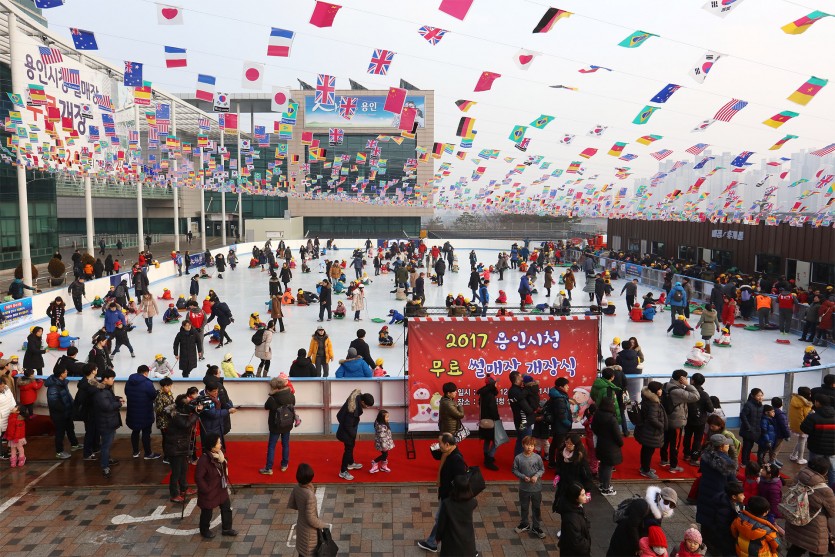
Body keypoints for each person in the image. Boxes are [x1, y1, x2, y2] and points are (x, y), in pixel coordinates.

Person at [417, 432, 468, 553]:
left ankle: (433, 543)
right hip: (447, 494)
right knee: (446, 521)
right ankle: (433, 542)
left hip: (450, 496)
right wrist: (432, 448)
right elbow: (438, 455)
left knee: (442, 519)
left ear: (447, 444)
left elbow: (461, 481)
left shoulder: (456, 459)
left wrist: (452, 495)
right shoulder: (448, 453)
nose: (438, 445)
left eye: (440, 443)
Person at [606, 485, 678, 557]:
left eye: (672, 505)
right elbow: (632, 526)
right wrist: (637, 547)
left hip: (636, 544)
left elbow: (653, 530)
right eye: (666, 502)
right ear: (659, 497)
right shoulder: (642, 505)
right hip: (623, 539)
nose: (667, 507)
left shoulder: (660, 513)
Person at [784, 456, 835, 556]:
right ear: (825, 472)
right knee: (816, 551)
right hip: (815, 527)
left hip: (796, 519)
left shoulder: (799, 477)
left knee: (796, 548)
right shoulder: (825, 490)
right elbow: (833, 512)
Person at [196, 432, 237, 539]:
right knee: (207, 512)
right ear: (212, 446)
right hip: (210, 491)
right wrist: (206, 489)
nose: (221, 445)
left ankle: (227, 529)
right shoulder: (204, 460)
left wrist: (223, 462)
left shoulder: (220, 455)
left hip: (221, 488)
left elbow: (223, 468)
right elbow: (199, 478)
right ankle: (204, 530)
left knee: (226, 508)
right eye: (218, 443)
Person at [660, 369, 700, 473]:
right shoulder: (678, 391)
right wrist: (688, 385)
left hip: (667, 419)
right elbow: (696, 396)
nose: (687, 379)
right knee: (675, 445)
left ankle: (664, 460)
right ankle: (673, 466)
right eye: (685, 378)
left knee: (665, 441)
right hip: (676, 421)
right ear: (681, 378)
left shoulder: (666, 385)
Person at [164, 393, 200, 503]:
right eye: (189, 403)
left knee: (184, 468)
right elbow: (186, 424)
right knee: (176, 471)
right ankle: (174, 494)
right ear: (183, 405)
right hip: (175, 446)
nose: (191, 405)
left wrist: (195, 409)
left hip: (181, 445)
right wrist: (196, 414)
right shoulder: (176, 415)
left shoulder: (181, 410)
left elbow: (189, 415)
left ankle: (184, 488)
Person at [288, 463, 329, 557]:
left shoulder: (297, 487)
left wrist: (302, 507)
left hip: (301, 527)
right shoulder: (309, 495)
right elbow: (311, 518)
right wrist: (322, 525)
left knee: (302, 553)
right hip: (310, 533)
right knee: (309, 553)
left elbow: (292, 504)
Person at [259, 376, 296, 475]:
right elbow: (293, 404)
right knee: (285, 444)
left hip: (275, 425)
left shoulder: (272, 399)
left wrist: (271, 394)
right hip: (287, 423)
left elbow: (266, 407)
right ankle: (284, 464)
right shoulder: (291, 395)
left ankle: (269, 468)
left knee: (272, 446)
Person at [436, 474, 479, 557]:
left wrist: (438, 537)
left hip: (450, 540)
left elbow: (441, 523)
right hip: (467, 541)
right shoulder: (473, 502)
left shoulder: (447, 503)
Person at [336, 389, 374, 480]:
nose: (367, 408)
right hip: (346, 432)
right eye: (367, 406)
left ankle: (350, 463)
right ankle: (343, 471)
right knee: (348, 450)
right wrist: (354, 434)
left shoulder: (356, 399)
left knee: (351, 447)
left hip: (349, 430)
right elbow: (347, 425)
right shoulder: (352, 410)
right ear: (362, 402)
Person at [512, 435, 546, 538]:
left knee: (536, 508)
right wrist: (523, 477)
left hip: (536, 488)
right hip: (524, 488)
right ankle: (524, 524)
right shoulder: (518, 458)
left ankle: (536, 526)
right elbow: (514, 470)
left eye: (531, 445)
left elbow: (542, 469)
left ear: (534, 446)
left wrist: (536, 476)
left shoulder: (537, 457)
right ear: (523, 445)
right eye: (527, 445)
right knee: (524, 506)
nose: (529, 447)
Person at [124, 365, 160, 460]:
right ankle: (148, 453)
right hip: (145, 412)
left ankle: (135, 452)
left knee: (135, 431)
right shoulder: (147, 383)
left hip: (132, 411)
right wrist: (157, 392)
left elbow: (126, 393)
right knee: (146, 433)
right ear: (146, 373)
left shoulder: (129, 382)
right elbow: (153, 395)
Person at [800, 394, 835, 487]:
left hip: (816, 447)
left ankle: (813, 488)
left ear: (818, 403)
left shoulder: (813, 416)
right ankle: (832, 489)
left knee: (813, 470)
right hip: (832, 448)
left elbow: (804, 429)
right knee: (832, 470)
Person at [94, 369, 123, 478]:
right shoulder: (101, 391)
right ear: (105, 379)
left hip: (109, 421)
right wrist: (118, 403)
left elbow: (109, 400)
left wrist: (117, 398)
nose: (113, 380)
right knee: (106, 445)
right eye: (112, 378)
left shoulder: (106, 389)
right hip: (106, 422)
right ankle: (105, 466)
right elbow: (107, 406)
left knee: (107, 444)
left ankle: (107, 460)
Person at [45, 366, 79, 459]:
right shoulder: (53, 387)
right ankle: (59, 451)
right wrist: (64, 409)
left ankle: (75, 444)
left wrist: (71, 406)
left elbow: (67, 396)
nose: (67, 373)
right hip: (59, 415)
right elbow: (54, 403)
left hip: (67, 412)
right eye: (65, 372)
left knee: (70, 429)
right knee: (60, 433)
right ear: (61, 374)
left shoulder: (63, 383)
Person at [592, 397, 623, 496]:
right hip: (611, 446)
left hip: (601, 443)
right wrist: (621, 443)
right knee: (608, 467)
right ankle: (606, 488)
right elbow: (617, 435)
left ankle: (602, 484)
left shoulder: (597, 414)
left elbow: (593, 427)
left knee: (603, 464)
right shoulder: (612, 419)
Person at [636, 381, 667, 479]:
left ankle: (644, 467)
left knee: (646, 450)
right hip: (651, 431)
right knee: (648, 451)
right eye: (660, 389)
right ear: (655, 391)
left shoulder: (647, 398)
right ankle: (646, 470)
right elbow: (652, 418)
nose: (661, 391)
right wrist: (661, 425)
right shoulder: (653, 403)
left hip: (646, 430)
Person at [547, 376, 573, 466]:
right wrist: (569, 423)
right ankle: (560, 465)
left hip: (557, 426)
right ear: (561, 387)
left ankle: (551, 463)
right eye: (566, 385)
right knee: (561, 447)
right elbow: (561, 416)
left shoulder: (559, 395)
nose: (568, 387)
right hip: (561, 426)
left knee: (555, 444)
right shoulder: (559, 399)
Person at [477, 376, 500, 471]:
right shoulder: (490, 394)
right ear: (492, 383)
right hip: (491, 421)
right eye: (496, 382)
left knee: (487, 439)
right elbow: (493, 409)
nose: (497, 384)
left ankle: (486, 456)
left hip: (484, 420)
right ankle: (489, 459)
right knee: (496, 441)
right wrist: (497, 420)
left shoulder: (483, 393)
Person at [740, 388, 765, 464]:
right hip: (748, 430)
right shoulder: (748, 404)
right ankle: (744, 462)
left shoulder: (761, 406)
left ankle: (747, 461)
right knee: (746, 447)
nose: (760, 397)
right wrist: (748, 427)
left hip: (756, 430)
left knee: (750, 446)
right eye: (758, 396)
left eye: (761, 395)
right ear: (753, 396)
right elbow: (743, 415)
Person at [789, 386, 813, 464]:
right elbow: (807, 415)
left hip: (795, 424)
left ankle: (793, 455)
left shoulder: (794, 399)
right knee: (802, 441)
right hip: (803, 425)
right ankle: (800, 458)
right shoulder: (805, 404)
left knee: (800, 440)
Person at [370, 409, 394, 473]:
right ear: (382, 418)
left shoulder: (381, 423)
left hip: (384, 442)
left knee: (385, 454)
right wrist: (384, 446)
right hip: (383, 443)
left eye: (388, 417)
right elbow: (382, 437)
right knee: (385, 454)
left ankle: (383, 466)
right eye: (387, 417)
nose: (388, 418)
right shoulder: (382, 427)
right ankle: (375, 462)